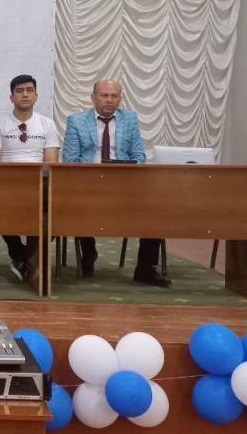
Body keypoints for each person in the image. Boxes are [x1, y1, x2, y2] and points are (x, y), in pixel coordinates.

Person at [62, 79, 171, 287]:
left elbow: (138, 156)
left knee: (156, 207)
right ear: (93, 98)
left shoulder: (129, 119)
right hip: (87, 184)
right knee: (75, 200)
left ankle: (145, 269)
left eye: (114, 96)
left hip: (124, 184)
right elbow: (70, 160)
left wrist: (129, 175)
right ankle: (88, 252)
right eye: (105, 95)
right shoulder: (76, 121)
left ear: (120, 99)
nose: (110, 100)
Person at [0, 74, 60, 283]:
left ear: (36, 96)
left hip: (39, 184)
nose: (25, 95)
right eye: (19, 91)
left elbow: (51, 164)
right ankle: (21, 254)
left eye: (29, 90)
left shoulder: (47, 124)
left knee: (56, 210)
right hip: (7, 185)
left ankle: (25, 259)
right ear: (11, 98)